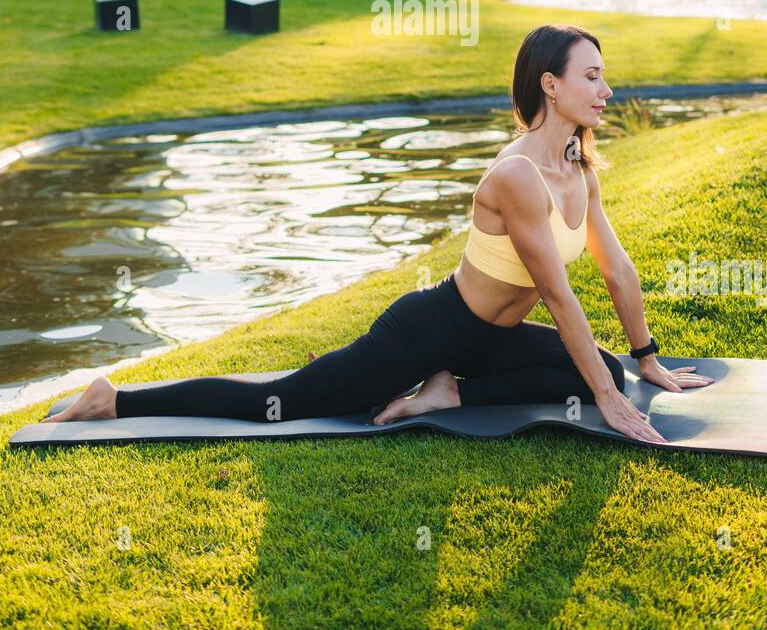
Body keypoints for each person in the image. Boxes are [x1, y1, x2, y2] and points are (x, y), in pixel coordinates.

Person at [46, 25, 713, 443]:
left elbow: (615, 268)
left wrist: (645, 355)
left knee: (616, 378)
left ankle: (449, 391)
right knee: (280, 400)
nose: (606, 89)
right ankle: (116, 397)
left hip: (490, 343)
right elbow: (560, 297)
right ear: (551, 85)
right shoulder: (517, 177)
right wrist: (603, 399)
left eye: (604, 76)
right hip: (430, 329)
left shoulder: (577, 166)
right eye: (591, 76)